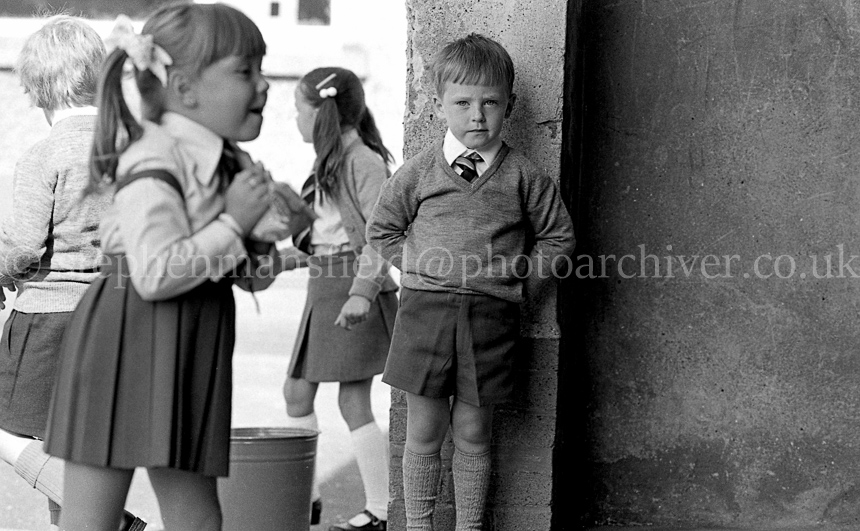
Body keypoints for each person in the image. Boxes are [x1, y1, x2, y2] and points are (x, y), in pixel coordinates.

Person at [42, 4, 285, 530]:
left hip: (193, 335)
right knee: (91, 518)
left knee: (198, 517)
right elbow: (153, 275)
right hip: (127, 334)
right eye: (246, 71)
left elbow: (250, 275)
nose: (264, 86)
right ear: (183, 87)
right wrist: (234, 224)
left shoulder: (227, 162)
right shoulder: (152, 158)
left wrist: (267, 235)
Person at [366, 33, 576, 530]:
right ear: (439, 107)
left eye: (491, 103)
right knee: (423, 429)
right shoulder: (419, 172)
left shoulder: (524, 176)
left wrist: (519, 283)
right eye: (462, 103)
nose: (477, 116)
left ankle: (469, 525)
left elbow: (559, 239)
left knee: (474, 430)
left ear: (511, 106)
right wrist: (417, 268)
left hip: (491, 317)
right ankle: (417, 524)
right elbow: (382, 229)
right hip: (425, 314)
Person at [0, 15, 147, 531]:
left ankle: (110, 518)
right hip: (121, 316)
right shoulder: (130, 147)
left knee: (17, 437)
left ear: (39, 89)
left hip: (49, 319)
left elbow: (22, 246)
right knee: (85, 449)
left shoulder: (44, 155)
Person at [280, 66, 398, 531]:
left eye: (297, 110)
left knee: (349, 401)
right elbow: (322, 240)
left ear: (321, 114)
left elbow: (382, 235)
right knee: (299, 394)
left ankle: (381, 510)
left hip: (351, 290)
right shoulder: (329, 161)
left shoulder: (363, 162)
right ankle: (305, 503)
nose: (294, 119)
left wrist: (362, 293)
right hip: (325, 287)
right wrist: (267, 261)